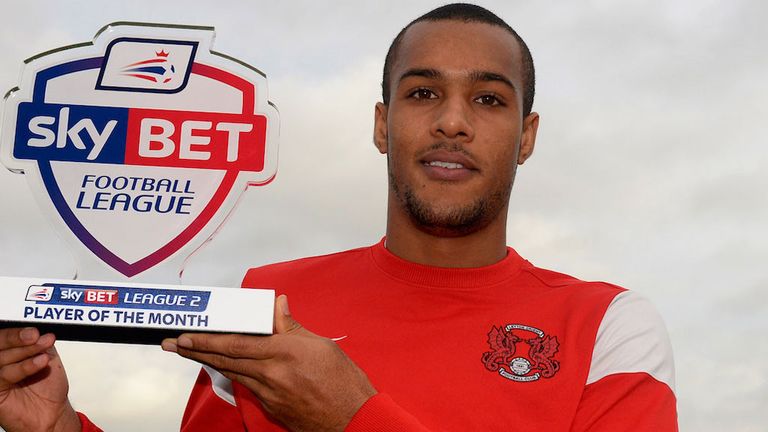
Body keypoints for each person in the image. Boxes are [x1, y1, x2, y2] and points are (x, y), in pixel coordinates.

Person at [0, 3, 677, 431]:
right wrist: (57, 427)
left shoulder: (608, 327)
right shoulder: (270, 302)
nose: (452, 121)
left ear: (527, 136)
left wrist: (352, 418)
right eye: (423, 93)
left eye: (489, 100)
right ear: (383, 124)